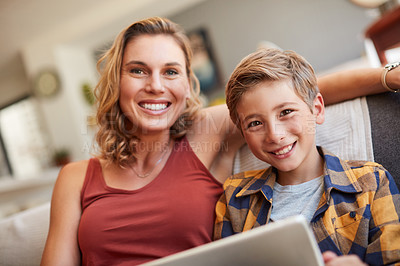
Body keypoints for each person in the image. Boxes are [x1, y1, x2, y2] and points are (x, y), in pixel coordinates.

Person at [40, 16, 400, 266]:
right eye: (138, 70)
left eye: (170, 71)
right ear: (116, 82)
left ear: (186, 84)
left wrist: (389, 76)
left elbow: (294, 94)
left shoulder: (204, 132)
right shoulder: (76, 177)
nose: (155, 85)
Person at [214, 48, 400, 265]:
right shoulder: (235, 196)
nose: (275, 135)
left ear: (317, 109)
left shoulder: (371, 181)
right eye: (255, 123)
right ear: (243, 132)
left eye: (286, 112)